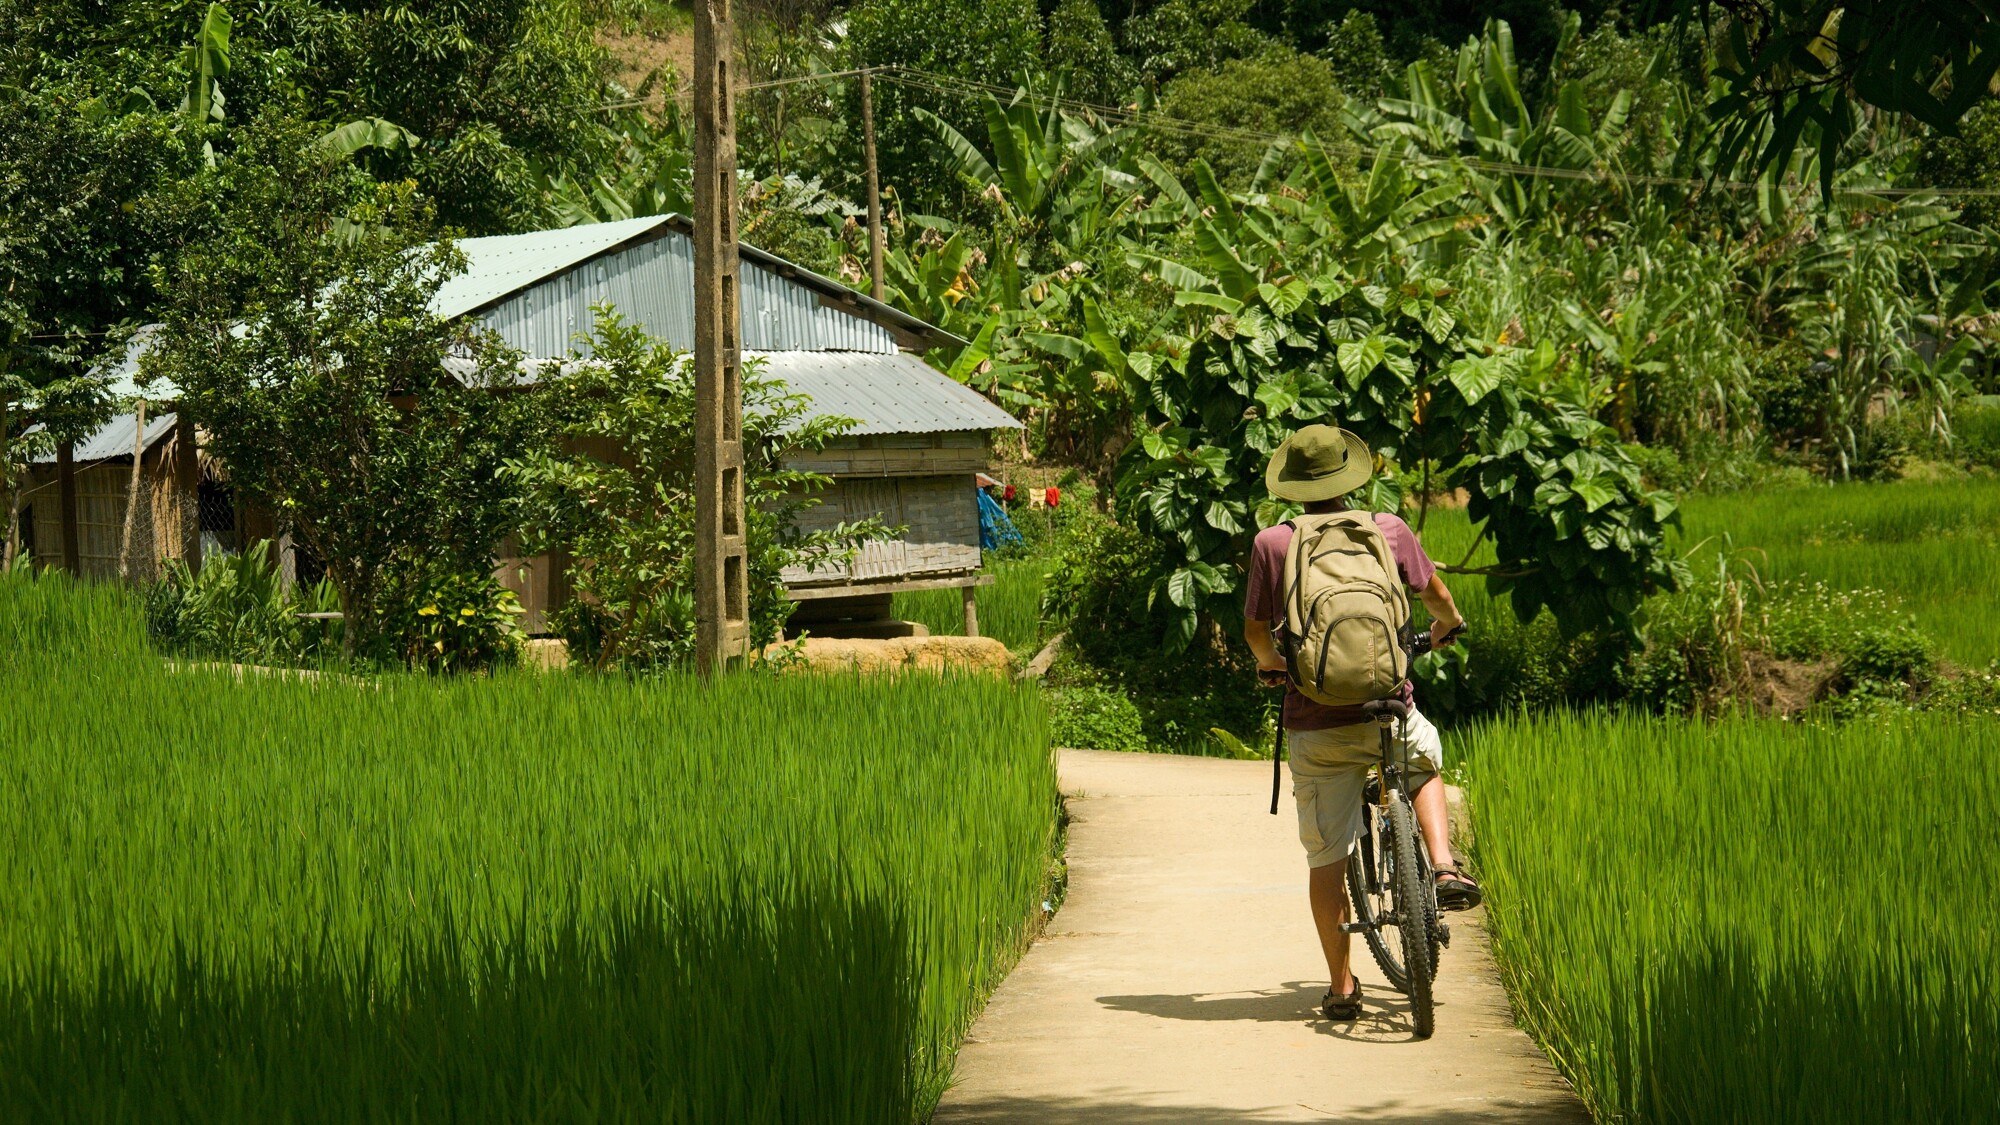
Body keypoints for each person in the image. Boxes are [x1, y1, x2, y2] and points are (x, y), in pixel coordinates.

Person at [1240, 423, 1479, 1023]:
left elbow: (1253, 631)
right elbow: (1440, 602)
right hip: (1388, 708)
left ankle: (1344, 989)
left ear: (1292, 484)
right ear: (1352, 475)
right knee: (1423, 754)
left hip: (1316, 721)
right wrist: (1445, 632)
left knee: (1326, 861)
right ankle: (1444, 865)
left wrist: (1273, 666)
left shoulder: (1274, 543)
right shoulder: (1389, 530)